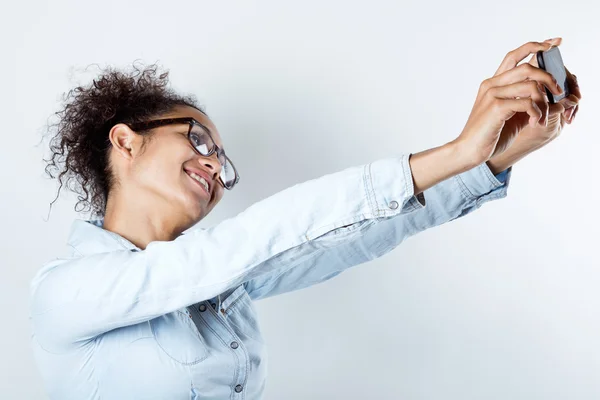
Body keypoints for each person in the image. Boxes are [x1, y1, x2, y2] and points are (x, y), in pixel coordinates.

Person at [30, 38, 581, 399]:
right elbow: (248, 242)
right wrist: (457, 151)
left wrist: (496, 157)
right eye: (198, 140)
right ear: (125, 141)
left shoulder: (222, 289)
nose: (215, 166)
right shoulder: (66, 293)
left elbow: (354, 237)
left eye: (222, 161)